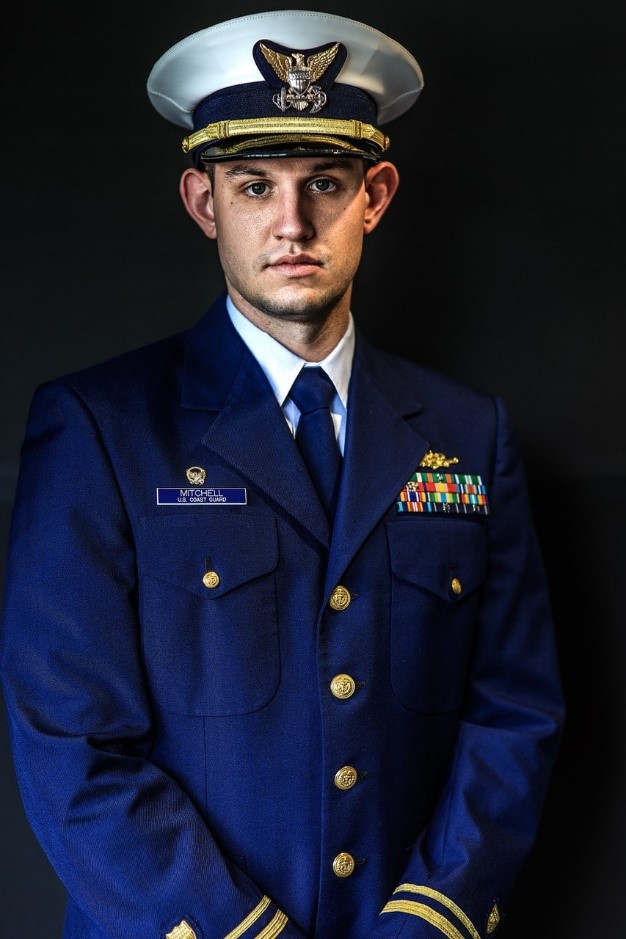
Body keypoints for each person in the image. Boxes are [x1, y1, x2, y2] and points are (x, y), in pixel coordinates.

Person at [0, 10, 564, 939]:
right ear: (204, 202)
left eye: (327, 183)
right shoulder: (103, 426)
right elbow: (71, 739)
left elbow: (514, 706)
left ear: (375, 195)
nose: (293, 224)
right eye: (255, 185)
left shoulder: (468, 435)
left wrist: (432, 918)